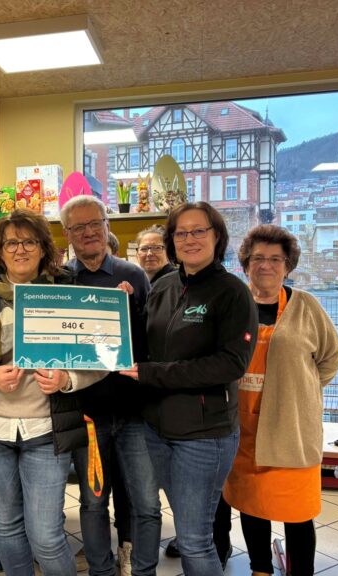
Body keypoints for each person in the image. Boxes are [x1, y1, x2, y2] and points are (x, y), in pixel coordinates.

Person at [0, 209, 103, 576]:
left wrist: (67, 379)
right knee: (8, 525)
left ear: (44, 249)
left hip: (46, 432)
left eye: (29, 241)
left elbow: (101, 359)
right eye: (11, 242)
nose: (20, 250)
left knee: (45, 535)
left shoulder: (68, 296)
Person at [121, 202, 257, 576]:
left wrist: (153, 374)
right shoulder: (163, 285)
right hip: (157, 429)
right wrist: (119, 309)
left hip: (203, 435)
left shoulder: (232, 293)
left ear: (217, 236)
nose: (189, 239)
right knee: (185, 523)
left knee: (195, 540)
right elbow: (142, 344)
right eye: (181, 232)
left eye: (199, 231)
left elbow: (230, 364)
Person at [220, 225, 338, 576]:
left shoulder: (306, 307)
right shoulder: (234, 304)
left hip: (291, 430)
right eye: (258, 258)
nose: (266, 265)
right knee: (252, 505)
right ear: (245, 264)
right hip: (243, 429)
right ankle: (260, 569)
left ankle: (300, 571)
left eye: (276, 259)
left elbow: (331, 358)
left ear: (287, 265)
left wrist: (299, 391)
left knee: (298, 511)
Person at [60, 196, 161, 576]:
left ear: (107, 227)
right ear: (68, 234)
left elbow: (149, 342)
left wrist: (129, 308)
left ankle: (141, 568)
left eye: (95, 223)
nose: (88, 232)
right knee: (92, 503)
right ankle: (101, 571)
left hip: (134, 411)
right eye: (78, 227)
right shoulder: (62, 281)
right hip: (86, 414)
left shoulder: (133, 275)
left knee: (145, 503)